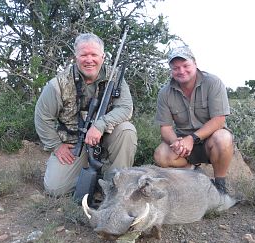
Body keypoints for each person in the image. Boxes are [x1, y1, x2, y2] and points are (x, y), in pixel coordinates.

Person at [35, 32, 137, 197]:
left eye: (94, 54)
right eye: (84, 55)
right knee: (55, 189)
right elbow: (42, 117)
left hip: (107, 137)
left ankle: (115, 186)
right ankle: (94, 174)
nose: (89, 59)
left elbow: (125, 108)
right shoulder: (58, 84)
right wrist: (56, 145)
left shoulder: (116, 77)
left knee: (127, 130)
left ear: (103, 56)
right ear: (75, 57)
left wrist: (100, 125)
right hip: (76, 144)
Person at [154, 45, 233, 194]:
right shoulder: (164, 93)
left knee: (223, 137)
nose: (181, 71)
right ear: (171, 70)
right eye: (176, 68)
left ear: (195, 64)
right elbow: (165, 128)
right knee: (161, 154)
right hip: (185, 146)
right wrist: (175, 142)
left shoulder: (213, 82)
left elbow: (219, 120)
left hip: (210, 141)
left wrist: (192, 138)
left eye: (185, 65)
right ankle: (196, 175)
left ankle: (220, 187)